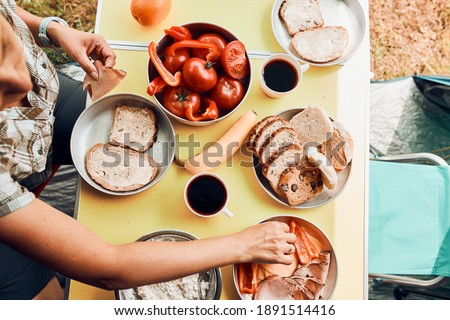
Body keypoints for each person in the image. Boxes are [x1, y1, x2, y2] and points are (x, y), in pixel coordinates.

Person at [0, 1, 297, 300]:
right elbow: (106, 268)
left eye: (7, 54)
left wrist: (50, 29)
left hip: (47, 111)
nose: (21, 81)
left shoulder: (24, 80)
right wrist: (242, 245)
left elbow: (9, 11)